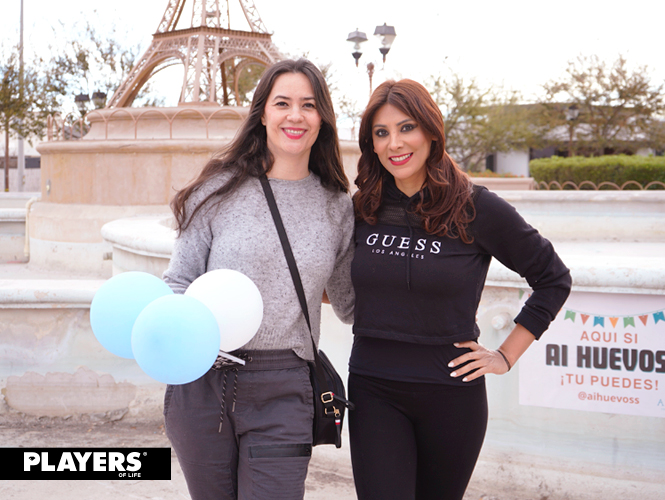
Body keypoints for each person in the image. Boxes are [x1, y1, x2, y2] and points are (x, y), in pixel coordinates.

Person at [348, 79, 572, 500]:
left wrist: (505, 355)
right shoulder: (363, 208)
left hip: (451, 395)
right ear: (372, 144)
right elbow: (333, 280)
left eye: (406, 127)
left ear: (432, 131)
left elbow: (553, 278)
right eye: (381, 132)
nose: (395, 142)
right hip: (373, 389)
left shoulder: (475, 206)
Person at [161, 59, 355, 500]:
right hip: (202, 380)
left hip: (283, 384)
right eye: (282, 102)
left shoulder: (337, 206)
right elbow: (180, 281)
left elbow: (350, 304)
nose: (295, 115)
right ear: (262, 113)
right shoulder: (216, 189)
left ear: (321, 118)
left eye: (308, 105)